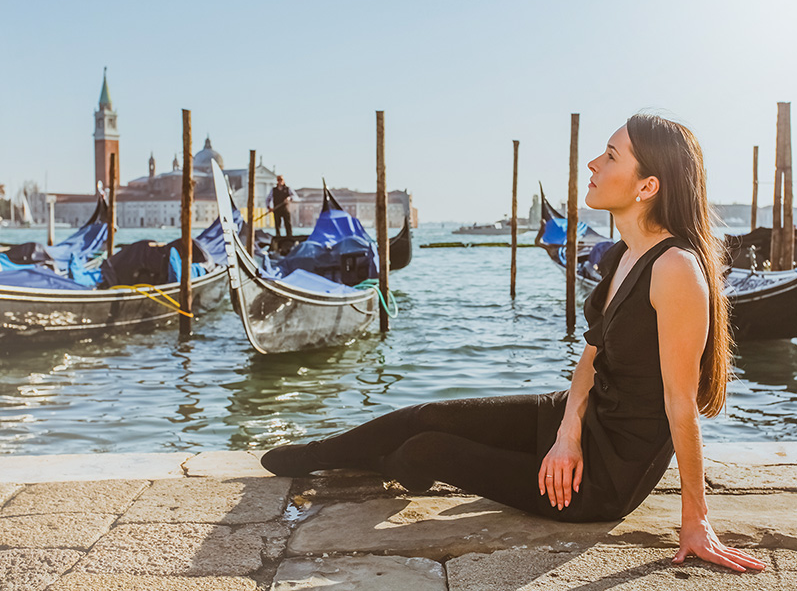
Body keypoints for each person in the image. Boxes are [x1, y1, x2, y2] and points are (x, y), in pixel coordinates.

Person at [261, 114, 766, 573]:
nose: (593, 162)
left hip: (606, 476)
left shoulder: (676, 268)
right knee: (427, 416)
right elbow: (592, 356)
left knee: (426, 451)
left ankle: (399, 465)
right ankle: (311, 455)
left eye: (611, 156)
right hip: (576, 420)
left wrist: (695, 521)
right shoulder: (621, 256)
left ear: (647, 186)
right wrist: (567, 433)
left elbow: (682, 406)